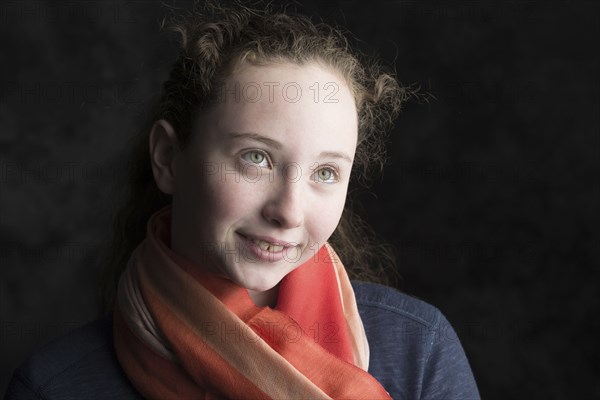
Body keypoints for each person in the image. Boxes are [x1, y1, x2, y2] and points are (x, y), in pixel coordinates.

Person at [5, 1, 480, 399]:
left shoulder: (420, 349)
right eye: (256, 158)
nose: (289, 211)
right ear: (169, 158)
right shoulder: (54, 388)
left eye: (326, 172)